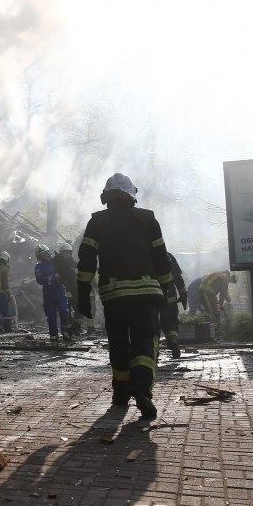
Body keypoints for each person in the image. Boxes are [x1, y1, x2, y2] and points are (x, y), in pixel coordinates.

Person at [76, 173, 174, 421]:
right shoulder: (148, 218)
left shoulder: (96, 222)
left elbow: (86, 262)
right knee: (144, 343)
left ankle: (120, 394)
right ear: (132, 196)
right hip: (146, 294)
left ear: (106, 197)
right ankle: (142, 390)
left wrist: (83, 295)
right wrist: (168, 290)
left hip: (114, 296)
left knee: (118, 344)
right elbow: (162, 259)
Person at [34, 244, 72, 342]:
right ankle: (54, 336)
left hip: (59, 291)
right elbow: (40, 280)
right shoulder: (38, 267)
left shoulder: (55, 263)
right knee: (51, 316)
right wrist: (53, 278)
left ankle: (65, 331)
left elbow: (65, 271)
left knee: (64, 311)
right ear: (39, 257)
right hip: (48, 294)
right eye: (41, 254)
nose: (45, 255)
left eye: (45, 253)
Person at [159, 252, 187, 358]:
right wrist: (184, 295)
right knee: (171, 324)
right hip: (169, 299)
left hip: (151, 299)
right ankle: (173, 340)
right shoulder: (168, 256)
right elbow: (178, 279)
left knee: (152, 326)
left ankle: (154, 351)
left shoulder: (142, 255)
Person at [54, 243, 81, 335]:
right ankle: (67, 330)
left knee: (78, 310)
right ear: (61, 253)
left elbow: (78, 276)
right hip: (64, 290)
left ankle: (76, 327)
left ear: (70, 253)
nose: (66, 255)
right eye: (64, 253)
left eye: (68, 253)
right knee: (66, 311)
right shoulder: (57, 264)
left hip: (75, 290)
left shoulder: (74, 264)